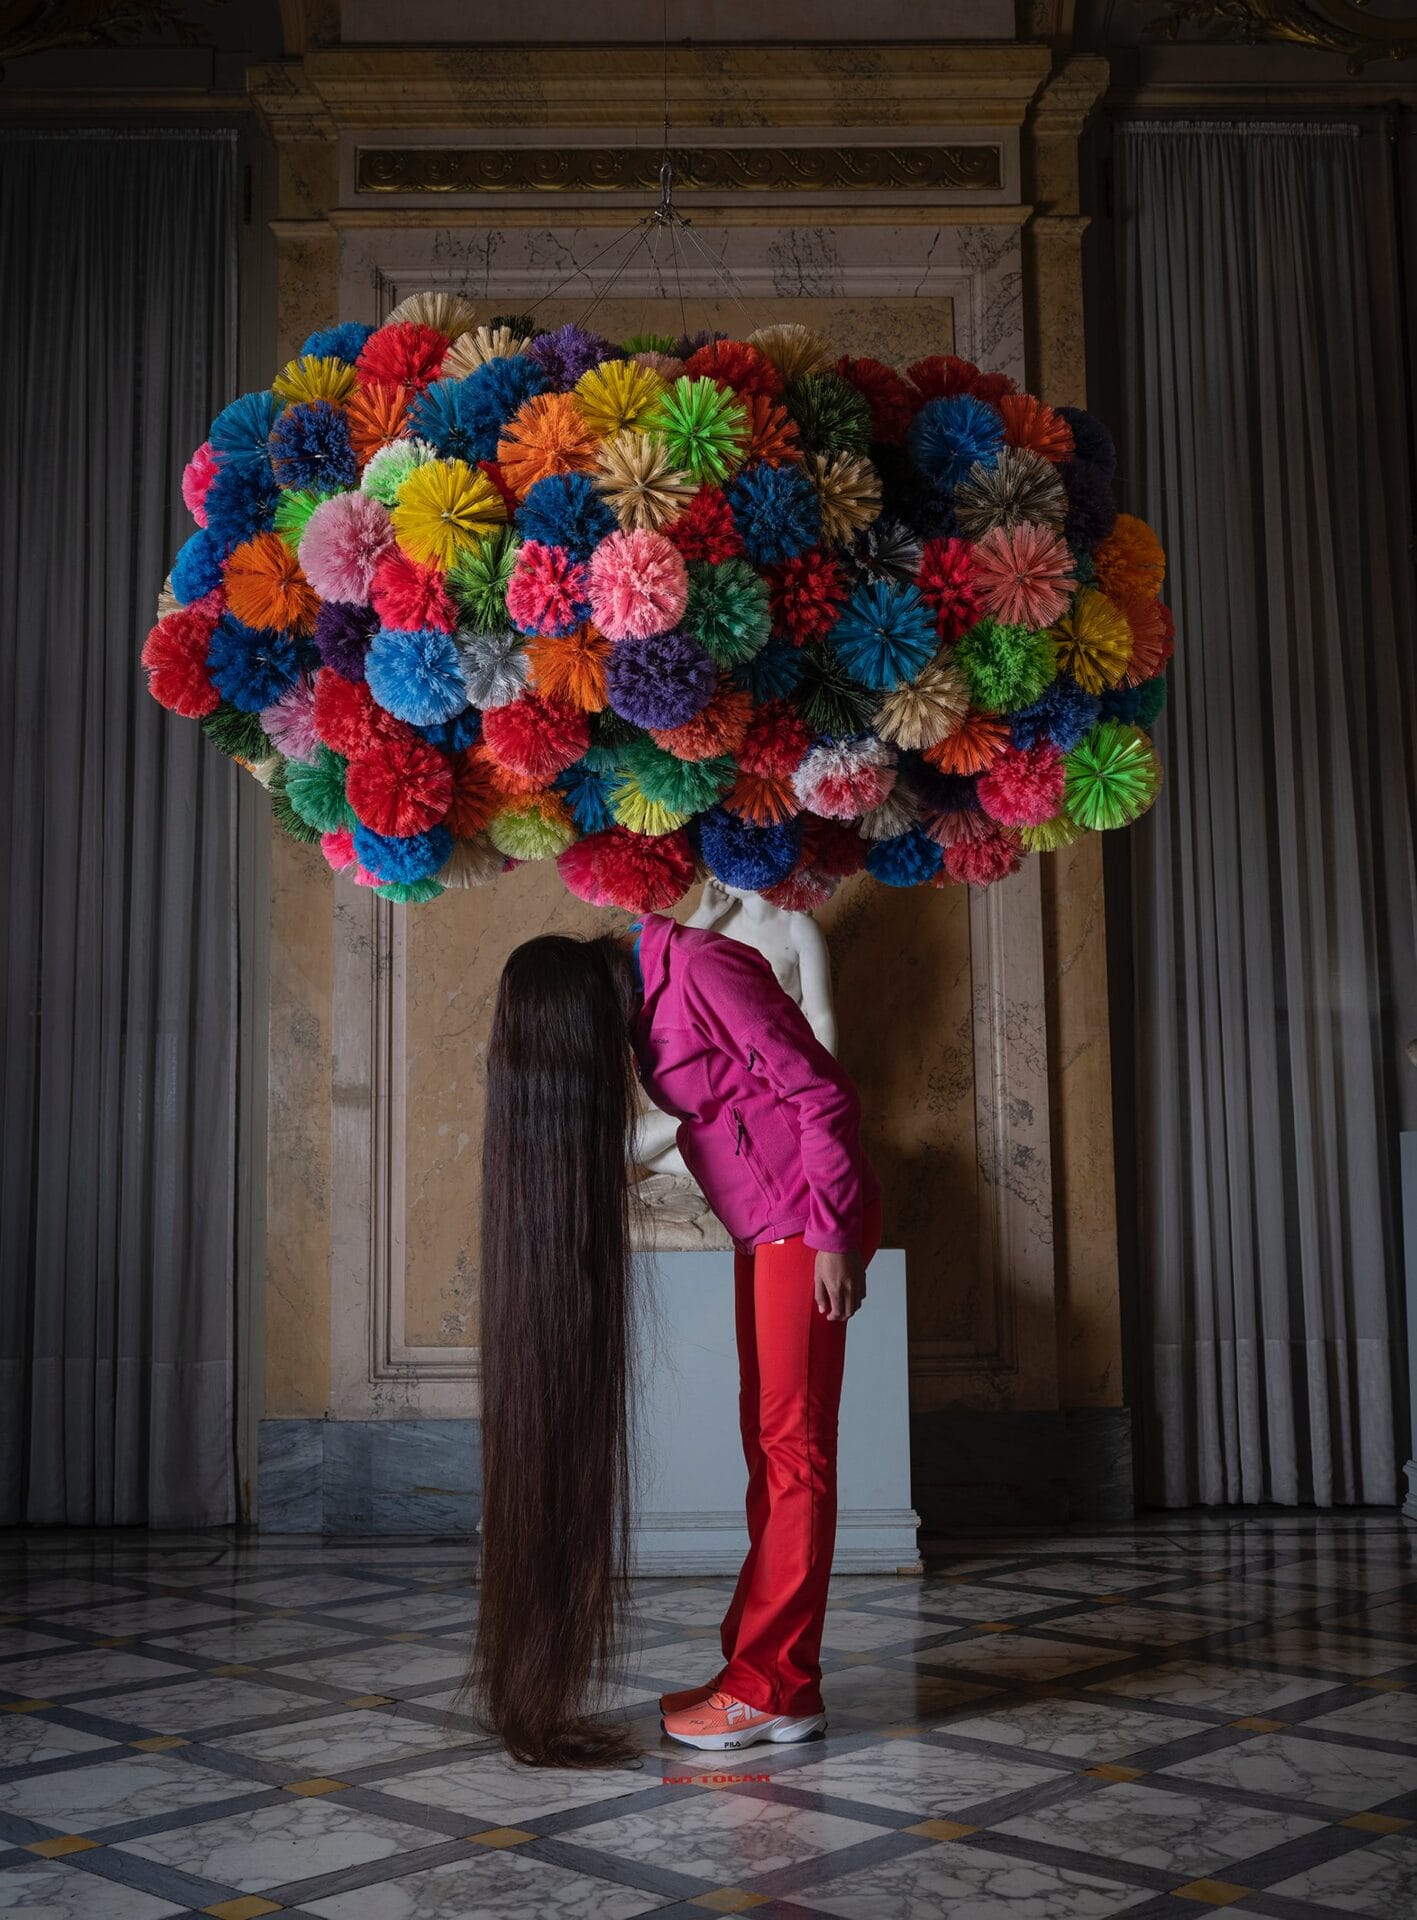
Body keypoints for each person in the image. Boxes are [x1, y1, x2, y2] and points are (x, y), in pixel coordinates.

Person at [464, 909, 883, 1768]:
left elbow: (820, 1091)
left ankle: (775, 1692)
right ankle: (753, 1667)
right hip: (767, 1228)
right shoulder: (653, 984)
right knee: (770, 1449)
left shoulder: (699, 968)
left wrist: (835, 1235)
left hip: (803, 1230)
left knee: (795, 1454)